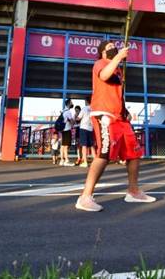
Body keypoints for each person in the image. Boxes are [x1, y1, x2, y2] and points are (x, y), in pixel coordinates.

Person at [75, 40, 155, 211]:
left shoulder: (118, 70)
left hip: (120, 117)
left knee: (133, 153)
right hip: (104, 114)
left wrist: (124, 109)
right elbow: (103, 76)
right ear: (102, 53)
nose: (113, 49)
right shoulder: (100, 63)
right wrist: (118, 57)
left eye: (114, 47)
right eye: (109, 48)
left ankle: (133, 192)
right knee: (104, 154)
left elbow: (117, 94)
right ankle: (85, 197)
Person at [77, 102, 95, 168]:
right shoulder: (93, 109)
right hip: (91, 128)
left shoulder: (84, 108)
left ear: (86, 102)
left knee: (84, 145)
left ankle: (85, 162)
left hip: (84, 128)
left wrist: (75, 118)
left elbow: (78, 118)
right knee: (92, 146)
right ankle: (95, 161)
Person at [59, 99, 75, 166]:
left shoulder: (63, 111)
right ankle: (66, 160)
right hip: (67, 130)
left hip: (63, 130)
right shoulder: (68, 112)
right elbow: (72, 122)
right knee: (66, 146)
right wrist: (74, 121)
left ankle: (62, 160)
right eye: (71, 103)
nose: (72, 104)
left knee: (62, 146)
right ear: (69, 104)